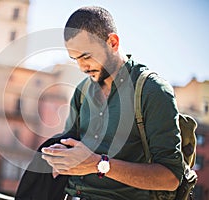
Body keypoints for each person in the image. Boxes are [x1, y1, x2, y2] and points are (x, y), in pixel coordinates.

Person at [39, 6, 184, 200]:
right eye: (75, 59)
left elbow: (171, 177)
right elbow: (72, 149)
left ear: (113, 42)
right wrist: (59, 156)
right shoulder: (81, 92)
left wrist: (99, 164)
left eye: (86, 56)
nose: (82, 67)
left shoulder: (153, 91)